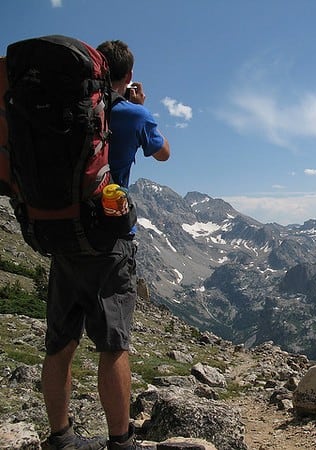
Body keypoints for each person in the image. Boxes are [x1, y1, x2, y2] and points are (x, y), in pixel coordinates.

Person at [43, 40, 170, 450]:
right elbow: (163, 153)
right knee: (114, 345)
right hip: (109, 240)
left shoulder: (63, 112)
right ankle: (120, 442)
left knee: (60, 343)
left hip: (63, 236)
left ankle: (60, 437)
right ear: (128, 75)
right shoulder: (134, 114)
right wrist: (141, 104)